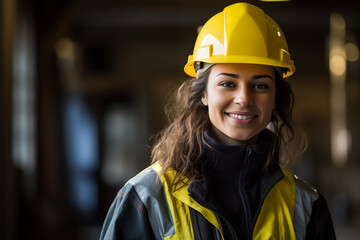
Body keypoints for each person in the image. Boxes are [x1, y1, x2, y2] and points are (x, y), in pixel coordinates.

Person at [99, 2, 336, 240]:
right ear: (203, 94)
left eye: (260, 85)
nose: (244, 98)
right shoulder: (145, 199)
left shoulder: (307, 206)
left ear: (275, 99)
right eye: (227, 84)